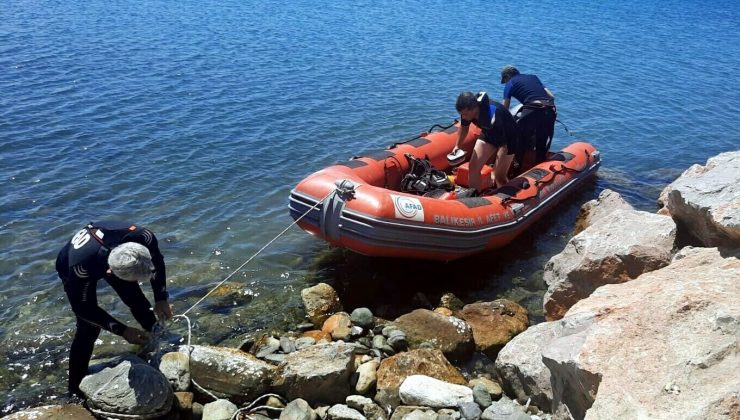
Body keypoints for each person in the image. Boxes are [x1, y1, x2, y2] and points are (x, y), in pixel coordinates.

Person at [55, 221, 173, 396]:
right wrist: (122, 330)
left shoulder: (144, 237)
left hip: (110, 250)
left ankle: (157, 344)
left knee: (136, 299)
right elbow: (84, 309)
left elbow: (157, 263)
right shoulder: (79, 268)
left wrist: (161, 298)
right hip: (73, 262)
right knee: (89, 328)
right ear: (111, 271)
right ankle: (74, 389)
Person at [452, 91, 519, 193]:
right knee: (473, 167)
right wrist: (457, 146)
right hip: (488, 133)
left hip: (509, 139)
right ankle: (474, 196)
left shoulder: (493, 115)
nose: (463, 117)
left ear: (474, 108)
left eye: (465, 114)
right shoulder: (466, 112)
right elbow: (464, 128)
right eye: (462, 114)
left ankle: (507, 197)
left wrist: (495, 170)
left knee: (499, 176)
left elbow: (503, 145)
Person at [500, 65, 557, 164]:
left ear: (507, 76)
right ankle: (539, 168)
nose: (505, 83)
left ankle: (515, 169)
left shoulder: (510, 83)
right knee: (541, 144)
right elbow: (551, 96)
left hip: (532, 109)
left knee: (520, 140)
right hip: (549, 109)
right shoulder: (533, 77)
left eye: (504, 80)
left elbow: (505, 108)